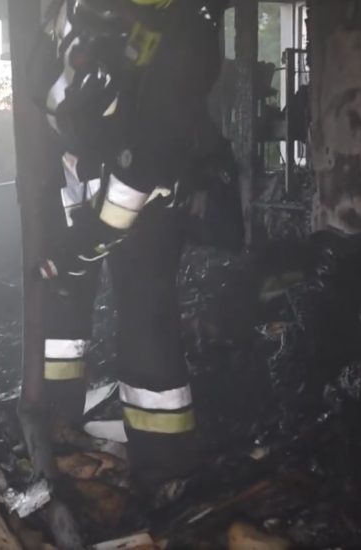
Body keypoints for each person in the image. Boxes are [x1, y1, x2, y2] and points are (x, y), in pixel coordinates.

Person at [37, 0, 227, 502]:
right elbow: (59, 108)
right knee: (61, 311)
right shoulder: (80, 22)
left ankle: (165, 471)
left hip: (145, 201)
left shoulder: (184, 41)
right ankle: (55, 422)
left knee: (145, 322)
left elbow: (146, 162)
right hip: (81, 184)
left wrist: (97, 234)